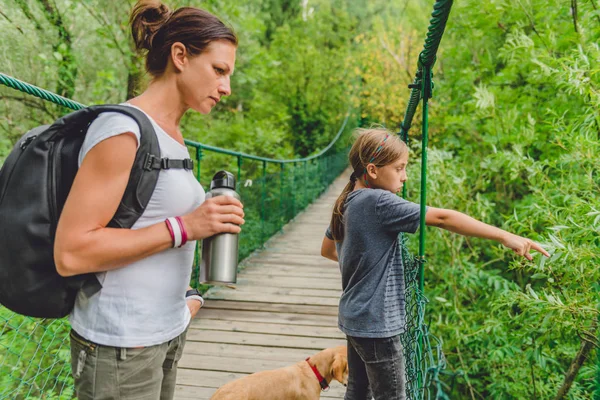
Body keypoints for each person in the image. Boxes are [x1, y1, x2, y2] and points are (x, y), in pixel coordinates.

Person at [53, 1, 244, 399]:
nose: (226, 87)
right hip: (121, 347)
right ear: (180, 56)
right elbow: (71, 252)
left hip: (165, 334)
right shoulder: (123, 130)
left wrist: (182, 304)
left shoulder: (170, 134)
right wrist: (186, 226)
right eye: (219, 70)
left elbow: (146, 223)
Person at [320, 128, 550, 400]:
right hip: (377, 322)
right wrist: (504, 236)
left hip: (354, 315)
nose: (404, 176)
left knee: (358, 390)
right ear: (372, 170)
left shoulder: (347, 201)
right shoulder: (378, 201)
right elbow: (442, 218)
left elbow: (328, 250)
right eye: (399, 168)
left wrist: (365, 262)